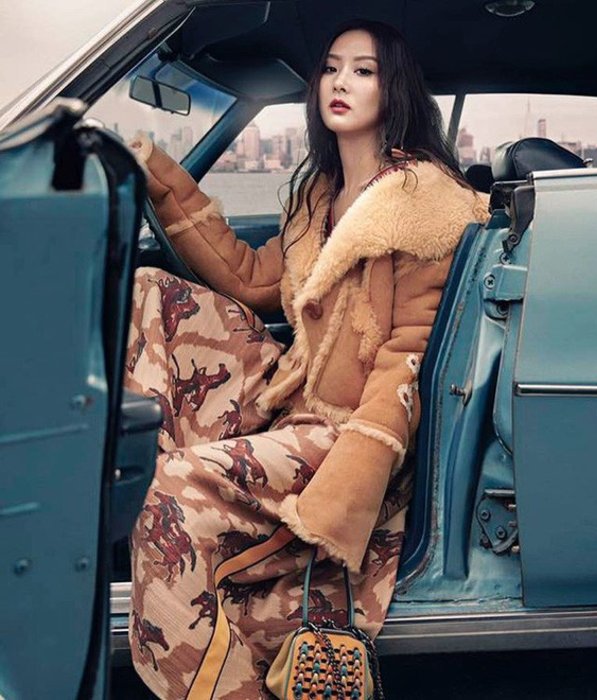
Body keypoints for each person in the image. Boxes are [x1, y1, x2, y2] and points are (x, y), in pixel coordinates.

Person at [125, 18, 488, 699]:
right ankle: (163, 487)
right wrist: (158, 176)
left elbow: (406, 361)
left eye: (364, 70)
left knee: (166, 495)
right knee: (150, 291)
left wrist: (346, 497)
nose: (340, 82)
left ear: (394, 88)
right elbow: (253, 280)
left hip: (347, 432)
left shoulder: (425, 203)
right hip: (294, 393)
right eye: (331, 68)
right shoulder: (322, 192)